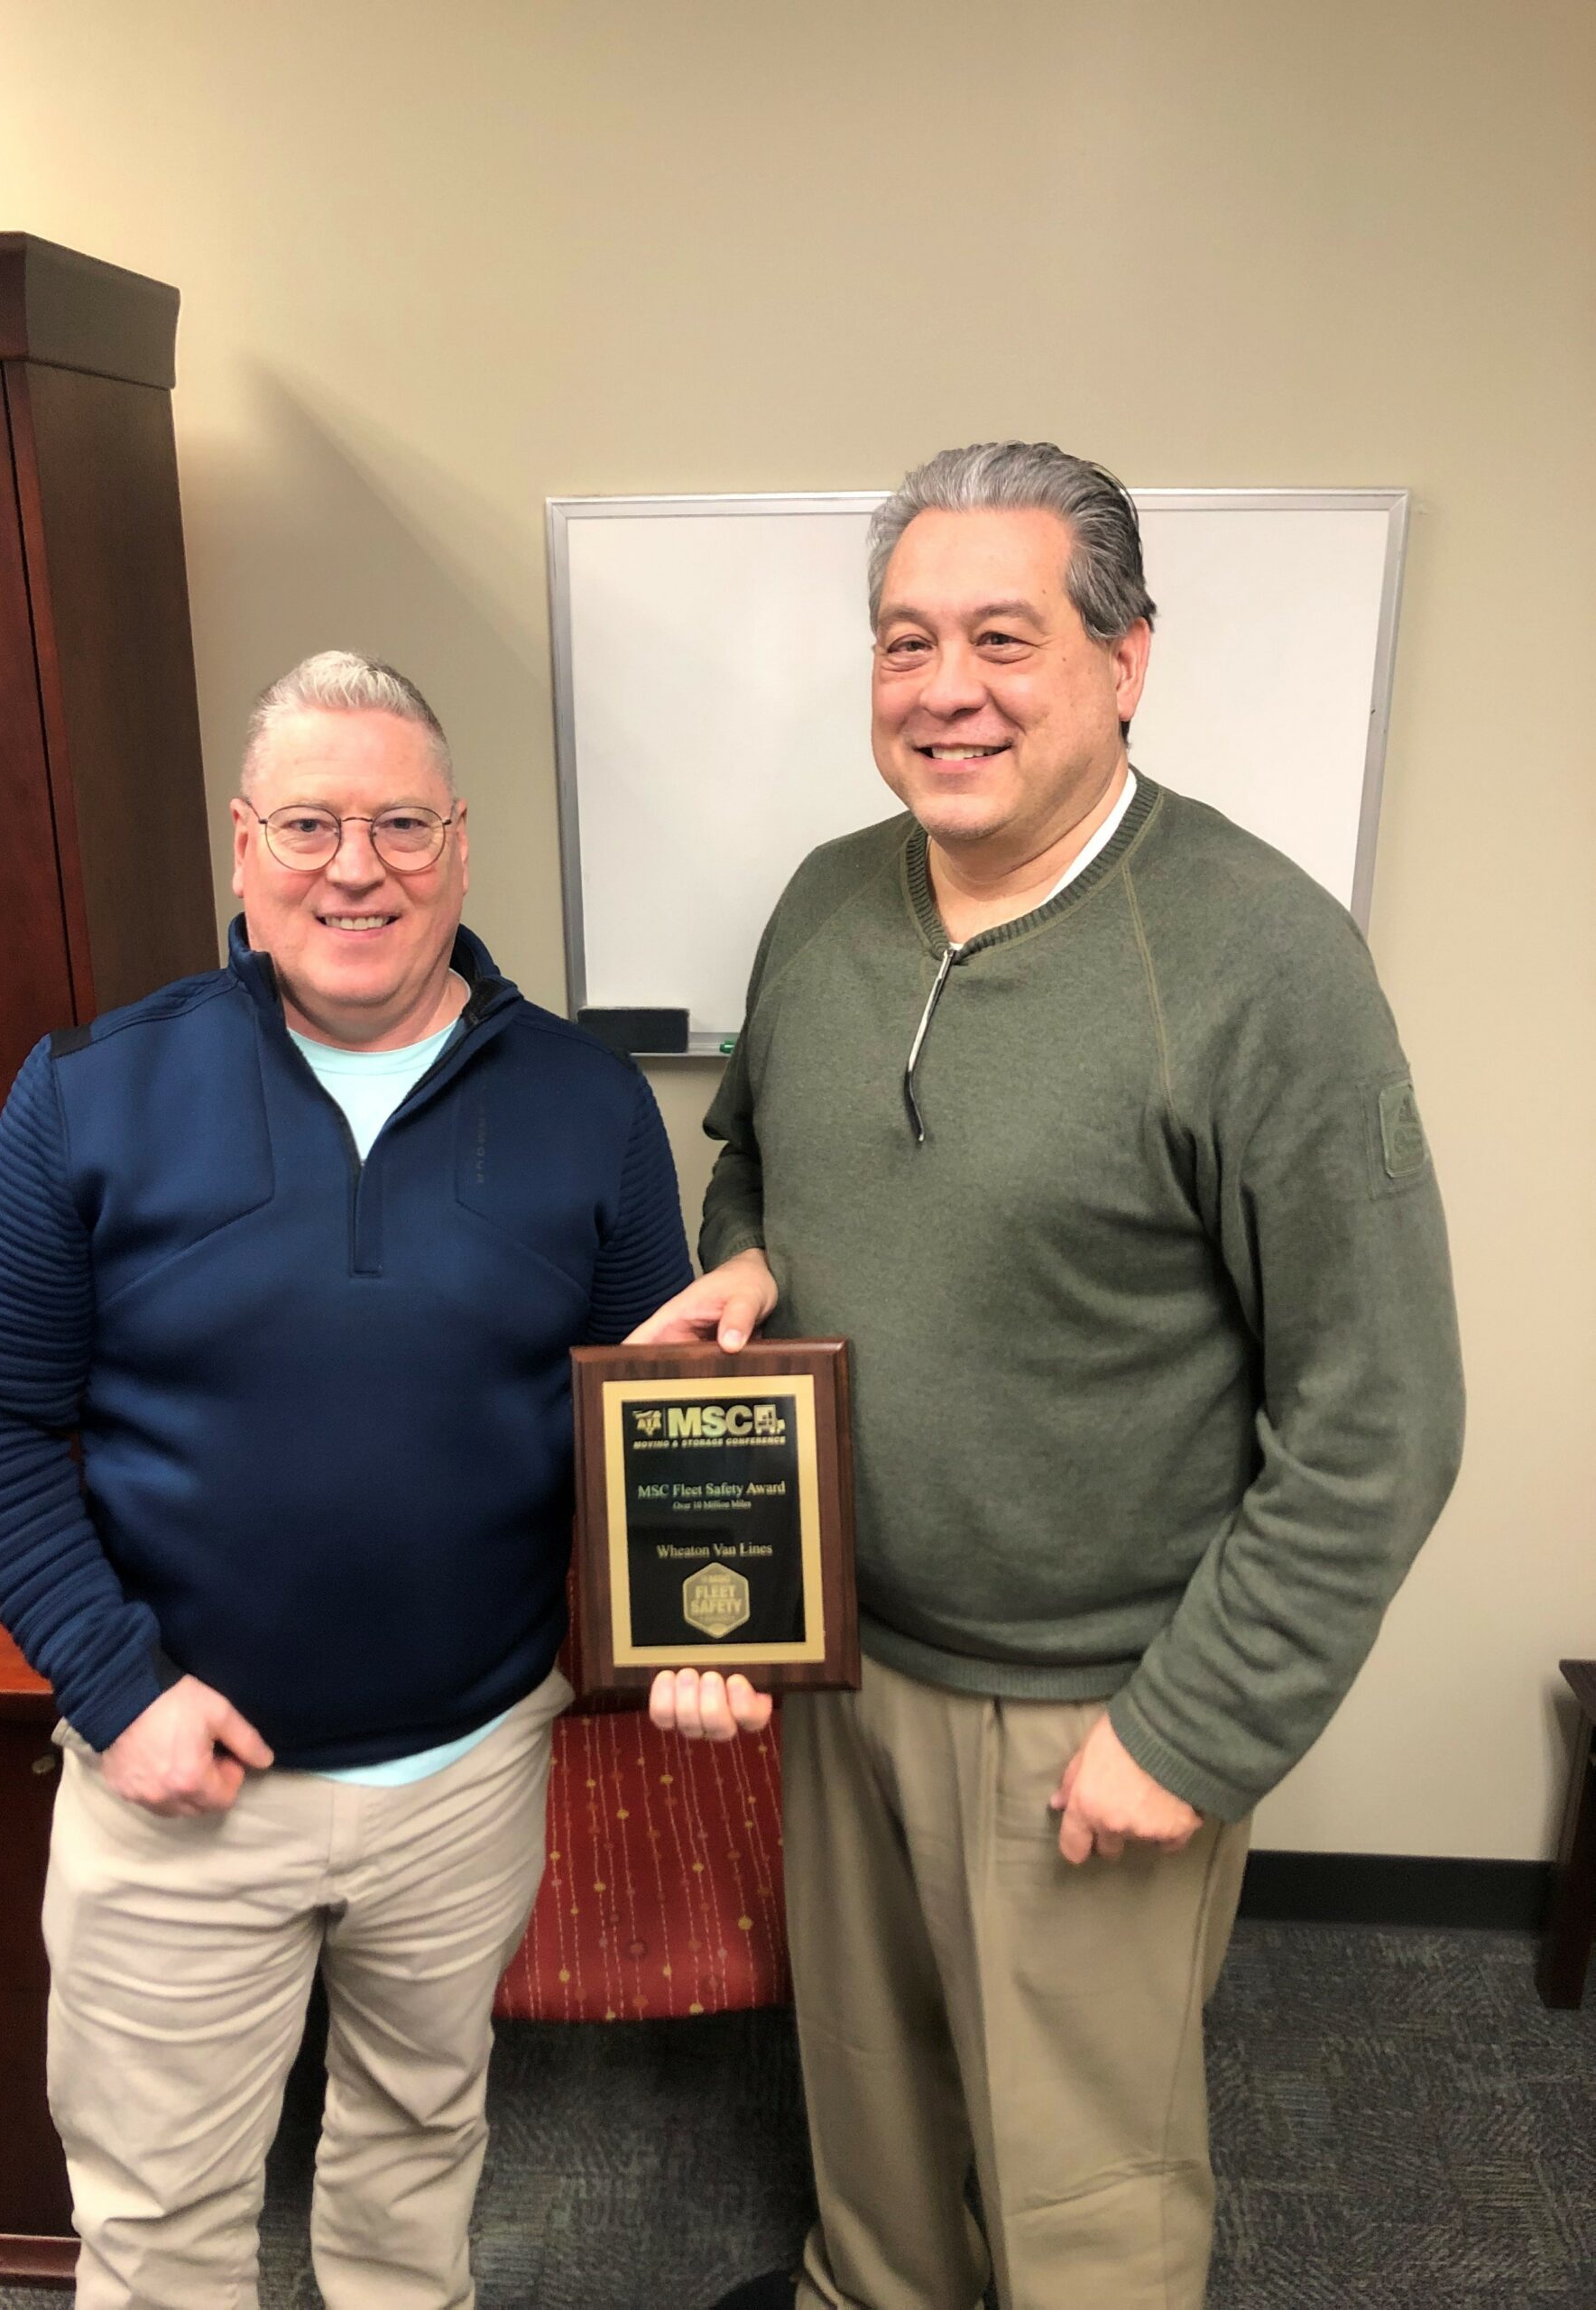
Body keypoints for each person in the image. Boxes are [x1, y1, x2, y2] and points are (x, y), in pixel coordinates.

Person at [633, 442, 1463, 2310]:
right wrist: (743, 1252)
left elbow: (1383, 1418)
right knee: (870, 2119)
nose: (948, 687)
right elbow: (752, 1156)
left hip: (1095, 1704)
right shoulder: (826, 905)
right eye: (906, 639)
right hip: (849, 1659)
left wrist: (1195, 1726)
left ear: (1126, 658)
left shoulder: (1264, 967)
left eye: (1004, 636)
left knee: (1080, 2187)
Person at [0, 651, 691, 2310]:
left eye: (402, 822)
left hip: (472, 1765)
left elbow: (658, 1427)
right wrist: (117, 1691)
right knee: (164, 2225)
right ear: (244, 850)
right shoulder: (89, 1093)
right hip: (177, 1783)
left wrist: (714, 1621)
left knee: (417, 2167)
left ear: (462, 844)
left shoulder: (588, 1106)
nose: (359, 868)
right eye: (314, 825)